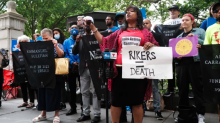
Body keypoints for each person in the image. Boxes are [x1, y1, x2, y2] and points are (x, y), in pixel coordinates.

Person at [82, 6, 159, 123]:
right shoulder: (120, 32)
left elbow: (157, 48)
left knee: (137, 102)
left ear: (138, 15)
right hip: (119, 71)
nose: (128, 13)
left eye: (131, 11)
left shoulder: (146, 33)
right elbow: (104, 41)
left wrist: (151, 45)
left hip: (138, 71)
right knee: (116, 102)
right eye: (126, 12)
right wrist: (93, 28)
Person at [176, 13, 206, 123]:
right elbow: (175, 54)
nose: (184, 22)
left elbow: (206, 44)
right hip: (182, 65)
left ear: (192, 22)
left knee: (197, 89)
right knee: (182, 90)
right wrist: (177, 57)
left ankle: (200, 115)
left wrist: (198, 42)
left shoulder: (200, 32)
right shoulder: (179, 37)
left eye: (187, 20)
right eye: (183, 20)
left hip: (195, 64)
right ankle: (183, 114)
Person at [72, 16, 101, 123]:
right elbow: (74, 52)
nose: (85, 25)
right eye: (84, 23)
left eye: (88, 23)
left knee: (95, 91)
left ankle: (97, 114)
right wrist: (77, 42)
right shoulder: (80, 37)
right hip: (83, 68)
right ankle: (86, 113)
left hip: (95, 67)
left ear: (92, 24)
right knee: (84, 91)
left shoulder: (97, 36)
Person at [32, 28, 64, 123]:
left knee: (55, 93)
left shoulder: (58, 45)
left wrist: (55, 45)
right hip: (43, 73)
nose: (45, 40)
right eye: (43, 39)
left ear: (51, 36)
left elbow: (61, 55)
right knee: (42, 93)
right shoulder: (40, 46)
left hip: (55, 73)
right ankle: (43, 114)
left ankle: (56, 114)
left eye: (46, 38)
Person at [143, 19, 164, 120]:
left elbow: (162, 48)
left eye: (146, 23)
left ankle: (158, 110)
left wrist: (153, 45)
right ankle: (141, 108)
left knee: (155, 88)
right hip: (140, 66)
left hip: (153, 66)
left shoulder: (157, 35)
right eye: (143, 23)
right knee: (140, 88)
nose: (145, 25)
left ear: (150, 24)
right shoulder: (138, 34)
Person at [163, 5, 182, 97]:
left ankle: (181, 88)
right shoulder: (165, 23)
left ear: (178, 12)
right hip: (168, 49)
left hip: (180, 49)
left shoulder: (182, 21)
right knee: (169, 70)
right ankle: (170, 89)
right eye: (171, 10)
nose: (172, 12)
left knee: (180, 70)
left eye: (174, 10)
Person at [15, 35, 37, 109]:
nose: (24, 44)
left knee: (30, 87)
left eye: (25, 42)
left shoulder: (30, 50)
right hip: (21, 72)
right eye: (22, 42)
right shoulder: (17, 52)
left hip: (29, 72)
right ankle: (25, 101)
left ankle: (31, 102)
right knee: (23, 86)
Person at [62, 25, 80, 116]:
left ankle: (84, 109)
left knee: (83, 89)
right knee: (71, 89)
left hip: (81, 67)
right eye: (72, 28)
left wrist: (79, 62)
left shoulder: (82, 40)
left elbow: (83, 53)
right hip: (71, 68)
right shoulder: (66, 41)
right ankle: (73, 108)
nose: (74, 29)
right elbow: (65, 54)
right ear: (69, 30)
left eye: (76, 28)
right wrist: (72, 62)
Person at [52, 28, 67, 110]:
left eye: (56, 33)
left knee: (61, 85)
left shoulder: (63, 43)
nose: (55, 35)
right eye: (54, 33)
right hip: (53, 65)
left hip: (61, 63)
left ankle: (62, 102)